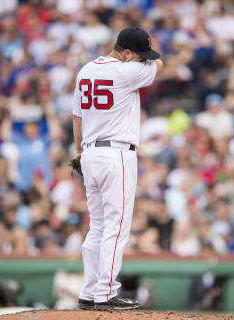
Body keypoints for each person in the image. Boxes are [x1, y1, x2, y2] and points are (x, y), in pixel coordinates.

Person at [72, 27, 163, 310]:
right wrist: (144, 62)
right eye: (139, 55)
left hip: (89, 151)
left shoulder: (86, 70)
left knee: (97, 226)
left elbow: (77, 116)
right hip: (117, 155)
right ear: (125, 53)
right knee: (116, 226)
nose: (143, 60)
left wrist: (78, 151)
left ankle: (90, 291)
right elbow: (160, 64)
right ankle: (106, 292)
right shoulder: (126, 71)